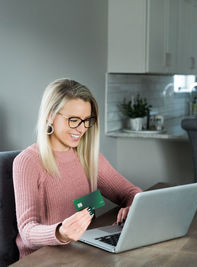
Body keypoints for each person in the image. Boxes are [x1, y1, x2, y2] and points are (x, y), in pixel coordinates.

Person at [13, 78, 142, 258]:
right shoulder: (28, 162)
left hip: (85, 252)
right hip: (44, 259)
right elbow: (27, 231)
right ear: (50, 115)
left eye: (86, 121)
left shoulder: (88, 157)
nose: (81, 129)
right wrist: (61, 232)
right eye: (73, 120)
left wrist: (131, 206)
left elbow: (130, 192)